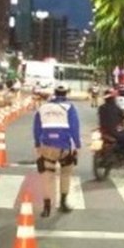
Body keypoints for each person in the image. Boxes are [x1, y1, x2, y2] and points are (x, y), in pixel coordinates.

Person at [33, 84, 81, 216]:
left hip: (47, 146)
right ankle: (63, 203)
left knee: (47, 176)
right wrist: (77, 146)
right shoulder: (69, 108)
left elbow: (37, 129)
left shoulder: (42, 108)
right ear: (66, 94)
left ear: (54, 93)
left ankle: (47, 208)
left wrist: (37, 144)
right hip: (64, 147)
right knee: (65, 173)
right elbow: (74, 129)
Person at [97, 89, 124, 154]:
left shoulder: (101, 108)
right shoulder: (115, 108)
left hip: (103, 132)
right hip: (113, 132)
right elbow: (123, 116)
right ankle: (123, 153)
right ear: (113, 98)